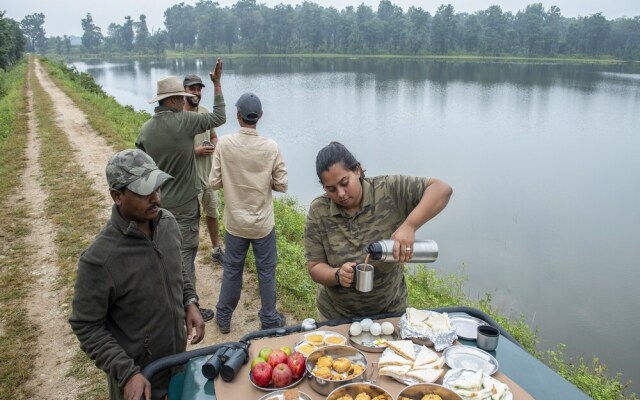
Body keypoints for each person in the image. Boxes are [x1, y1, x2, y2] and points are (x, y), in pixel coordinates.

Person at [69, 149, 205, 400]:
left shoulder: (168, 224)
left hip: (177, 365)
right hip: (142, 382)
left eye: (158, 187)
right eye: (144, 192)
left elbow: (178, 270)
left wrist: (190, 301)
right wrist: (127, 372)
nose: (156, 198)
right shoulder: (100, 259)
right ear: (117, 196)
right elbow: (86, 325)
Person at [304, 141, 453, 321]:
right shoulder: (319, 211)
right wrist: (337, 275)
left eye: (345, 183)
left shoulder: (388, 190)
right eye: (331, 189)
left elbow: (442, 190)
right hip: (337, 317)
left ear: (357, 170)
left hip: (389, 313)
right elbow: (315, 267)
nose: (341, 194)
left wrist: (409, 225)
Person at [136, 59, 226, 322]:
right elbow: (220, 117)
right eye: (183, 96)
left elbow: (143, 163)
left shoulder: (146, 129)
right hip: (185, 204)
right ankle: (190, 306)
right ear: (175, 100)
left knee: (161, 250)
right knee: (186, 255)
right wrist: (217, 85)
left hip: (157, 203)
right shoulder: (185, 121)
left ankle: (163, 299)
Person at [210, 92, 288, 334]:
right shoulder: (270, 147)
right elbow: (283, 184)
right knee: (266, 271)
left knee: (232, 269)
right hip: (262, 224)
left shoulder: (224, 143)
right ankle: (269, 318)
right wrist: (265, 181)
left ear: (238, 116)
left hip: (235, 222)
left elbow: (213, 182)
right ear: (260, 117)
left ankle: (223, 317)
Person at [183, 73, 225, 264]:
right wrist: (195, 151)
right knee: (191, 218)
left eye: (199, 89)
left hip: (209, 175)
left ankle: (216, 248)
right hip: (189, 178)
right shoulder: (178, 117)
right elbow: (174, 150)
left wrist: (213, 145)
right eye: (192, 88)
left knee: (212, 213)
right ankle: (187, 253)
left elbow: (214, 135)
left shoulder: (206, 112)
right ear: (183, 90)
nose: (196, 92)